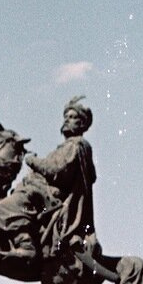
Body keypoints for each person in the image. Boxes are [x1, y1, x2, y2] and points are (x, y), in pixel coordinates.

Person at [22, 97, 98, 260]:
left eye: (72, 117)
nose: (67, 120)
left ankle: (25, 242)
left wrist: (32, 160)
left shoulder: (75, 145)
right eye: (66, 117)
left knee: (23, 198)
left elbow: (56, 171)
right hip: (53, 198)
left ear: (82, 124)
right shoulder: (72, 145)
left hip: (57, 202)